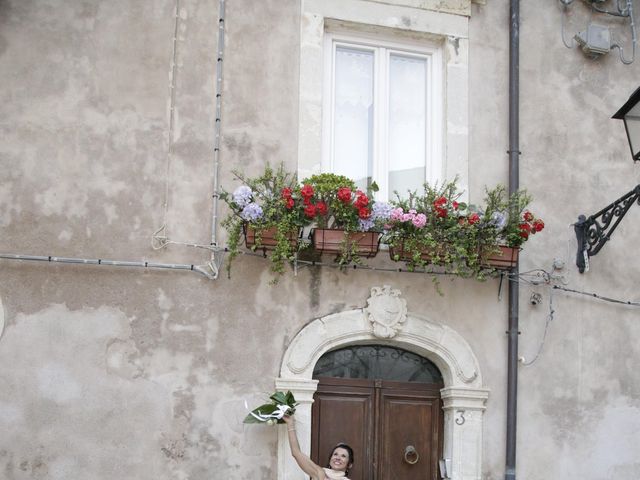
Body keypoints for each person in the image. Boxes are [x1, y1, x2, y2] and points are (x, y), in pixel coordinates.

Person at [283, 414, 354, 480]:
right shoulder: (320, 474)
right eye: (335, 454)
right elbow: (296, 453)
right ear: (330, 459)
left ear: (349, 464)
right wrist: (290, 424)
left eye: (343, 456)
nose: (338, 458)